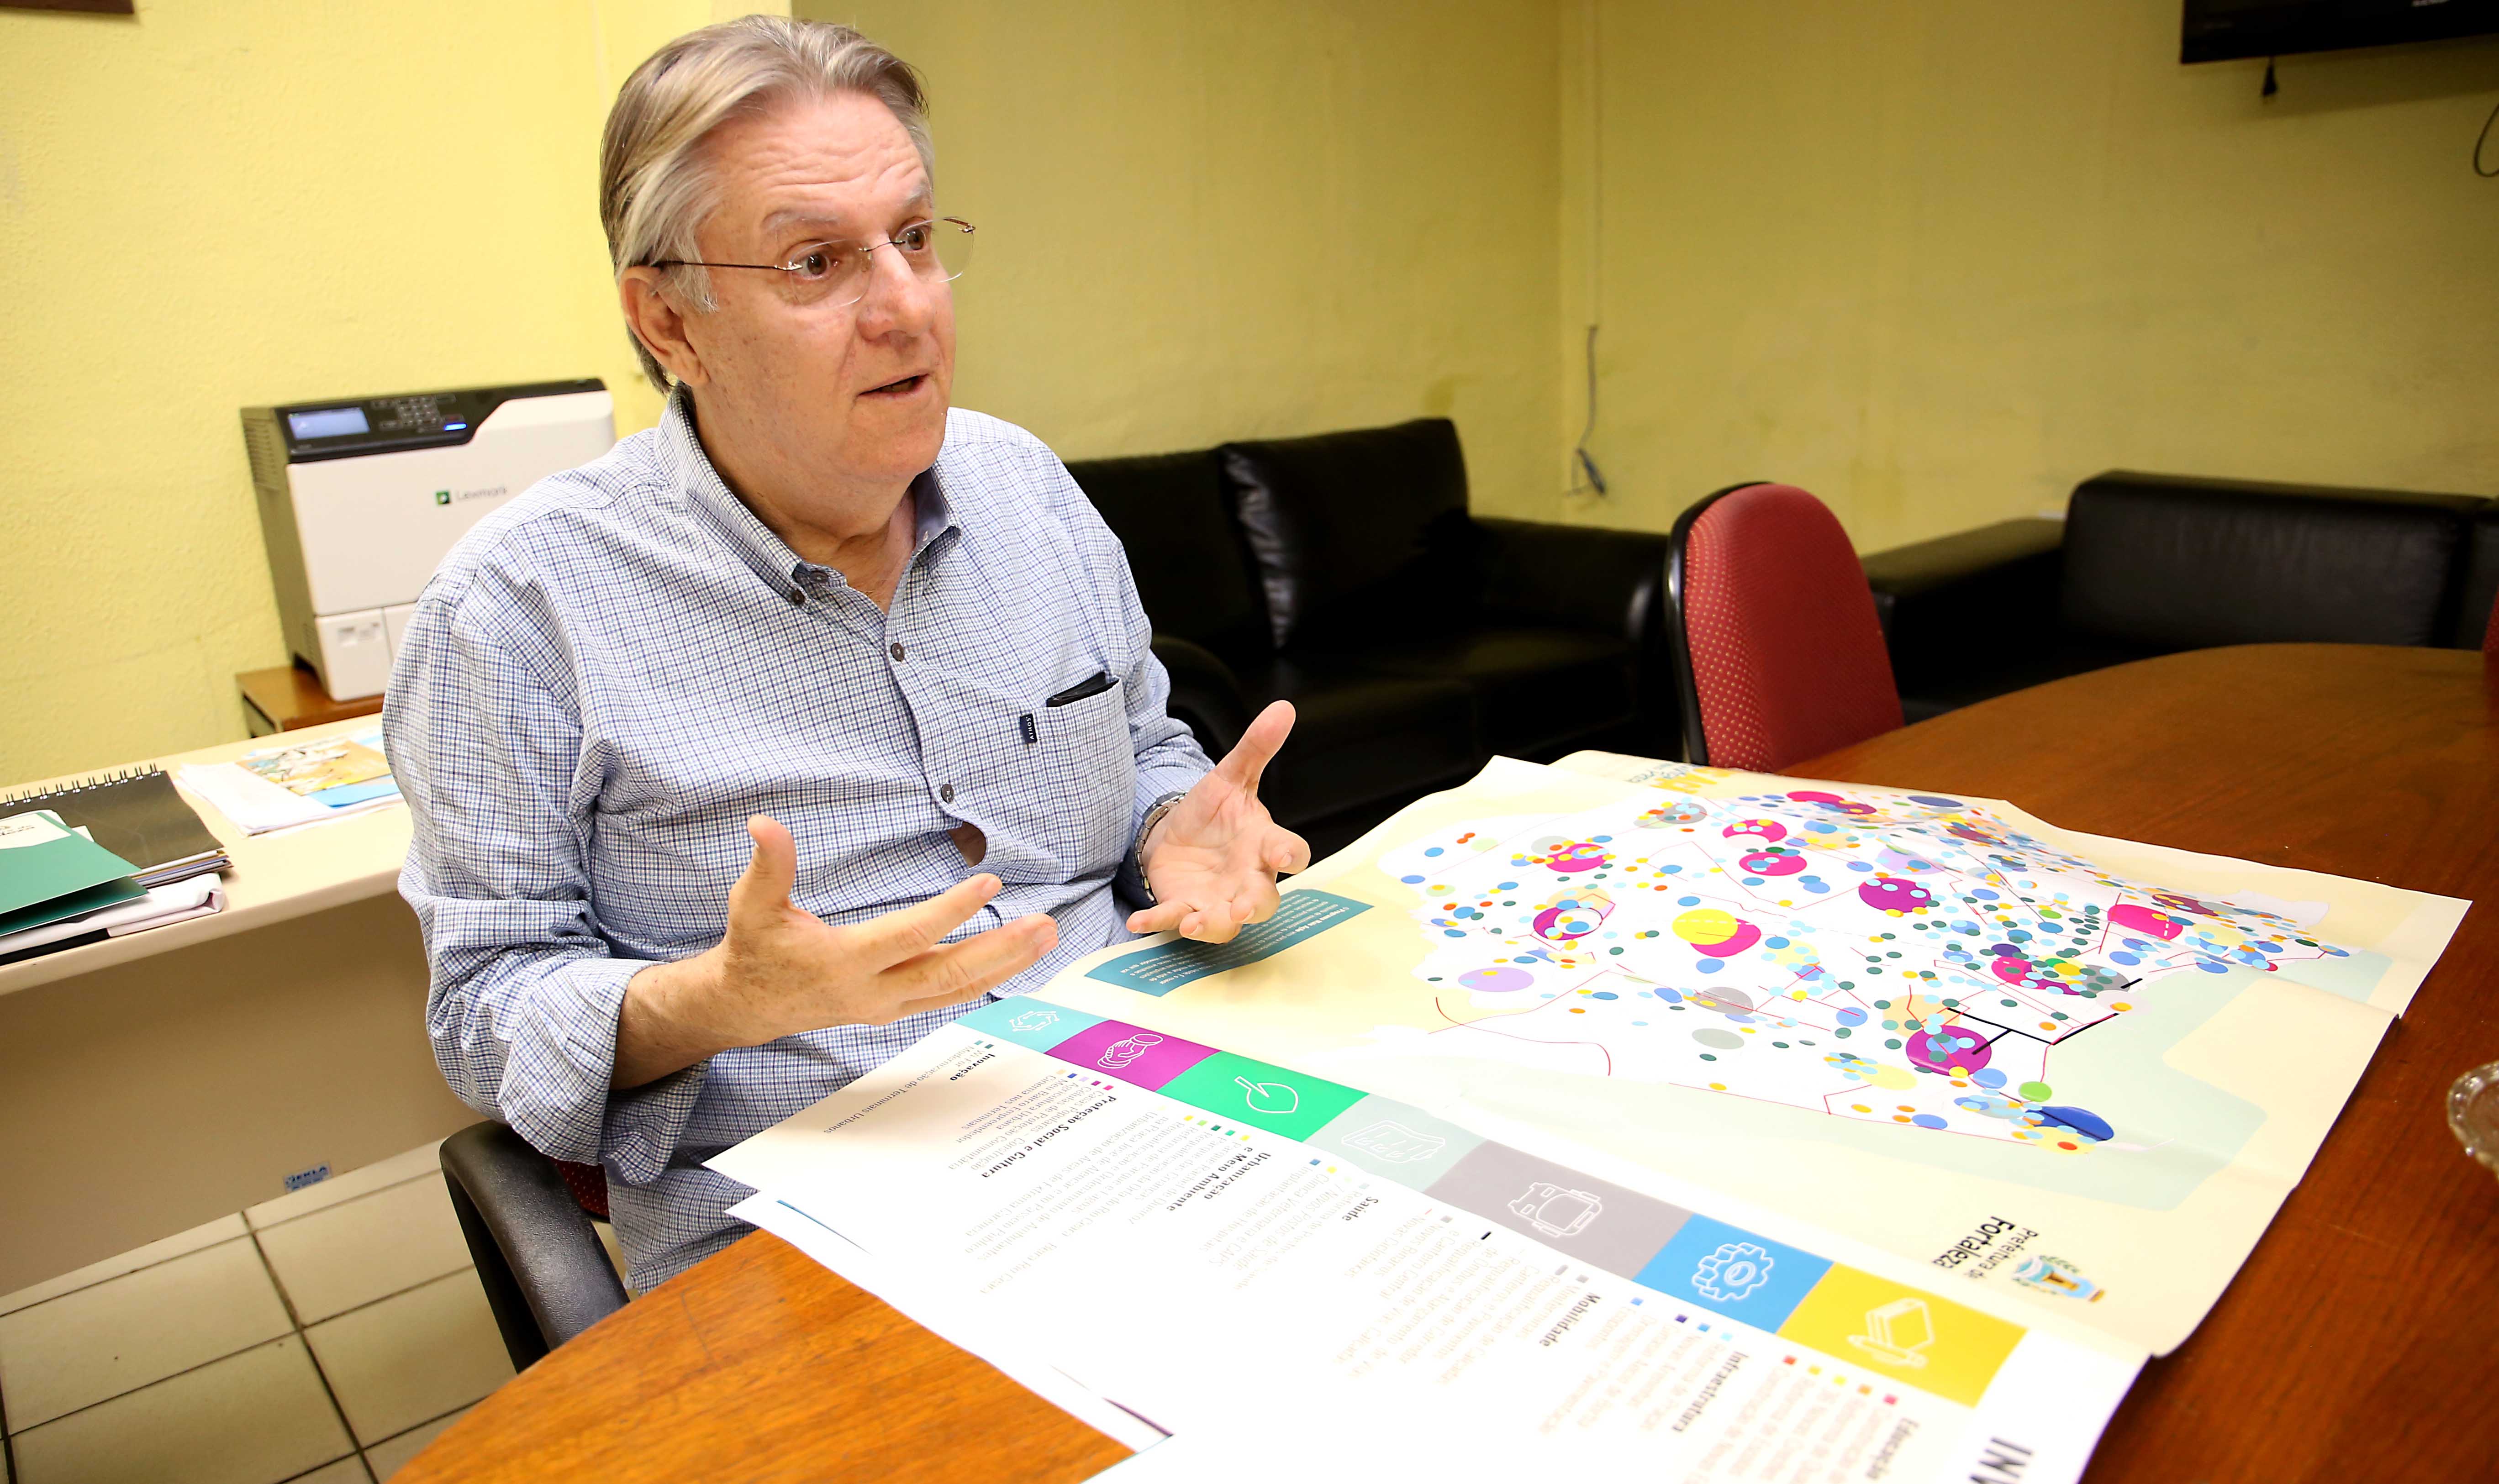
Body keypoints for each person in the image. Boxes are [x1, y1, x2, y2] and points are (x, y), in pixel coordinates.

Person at [384, 16, 1305, 1290]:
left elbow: (1144, 743)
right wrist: (721, 998)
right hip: (810, 1227)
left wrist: (1169, 826)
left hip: (1139, 1116)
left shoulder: (1027, 487)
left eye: (916, 240)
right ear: (670, 321)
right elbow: (485, 1008)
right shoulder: (518, 610)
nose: (907, 307)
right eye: (816, 262)